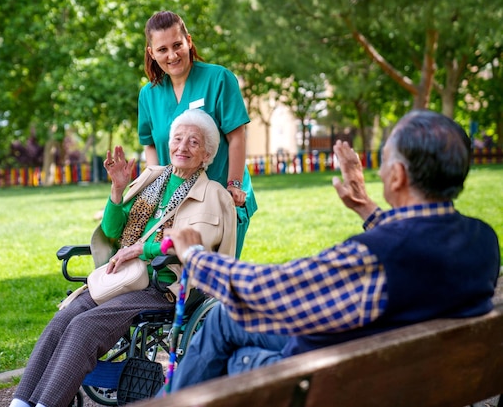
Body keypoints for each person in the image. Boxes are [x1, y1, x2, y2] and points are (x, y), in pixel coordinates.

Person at [162, 109, 501, 392]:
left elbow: (270, 289)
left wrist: (196, 256)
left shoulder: (372, 258)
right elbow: (420, 244)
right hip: (412, 377)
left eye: (383, 162)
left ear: (397, 175)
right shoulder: (483, 241)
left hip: (338, 383)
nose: (380, 172)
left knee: (236, 351)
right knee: (223, 319)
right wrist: (367, 208)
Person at [9, 109, 237, 407]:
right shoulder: (154, 178)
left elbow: (193, 245)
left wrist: (143, 250)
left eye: (193, 142)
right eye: (178, 139)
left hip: (163, 286)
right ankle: (21, 403)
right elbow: (113, 230)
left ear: (207, 154)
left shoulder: (212, 194)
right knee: (63, 319)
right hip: (122, 275)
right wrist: (117, 190)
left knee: (84, 326)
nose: (182, 147)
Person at [138, 10, 256, 258]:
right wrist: (159, 189)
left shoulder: (218, 79)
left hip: (221, 199)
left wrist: (233, 186)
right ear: (152, 53)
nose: (172, 55)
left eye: (177, 45)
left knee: (217, 279)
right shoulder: (148, 95)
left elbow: (237, 136)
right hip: (175, 205)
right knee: (174, 281)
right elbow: (150, 144)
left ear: (188, 41)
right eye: (162, 49)